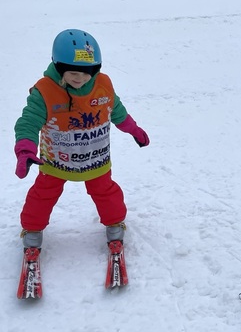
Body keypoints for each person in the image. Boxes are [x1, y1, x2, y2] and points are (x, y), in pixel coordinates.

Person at [14, 29, 149, 267]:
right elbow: (29, 121)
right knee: (42, 195)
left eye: (87, 73)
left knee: (106, 192)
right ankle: (32, 230)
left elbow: (116, 110)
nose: (80, 79)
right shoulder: (44, 91)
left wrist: (134, 130)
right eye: (73, 73)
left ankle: (115, 224)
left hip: (95, 160)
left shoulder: (103, 85)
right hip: (56, 162)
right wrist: (25, 149)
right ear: (59, 68)